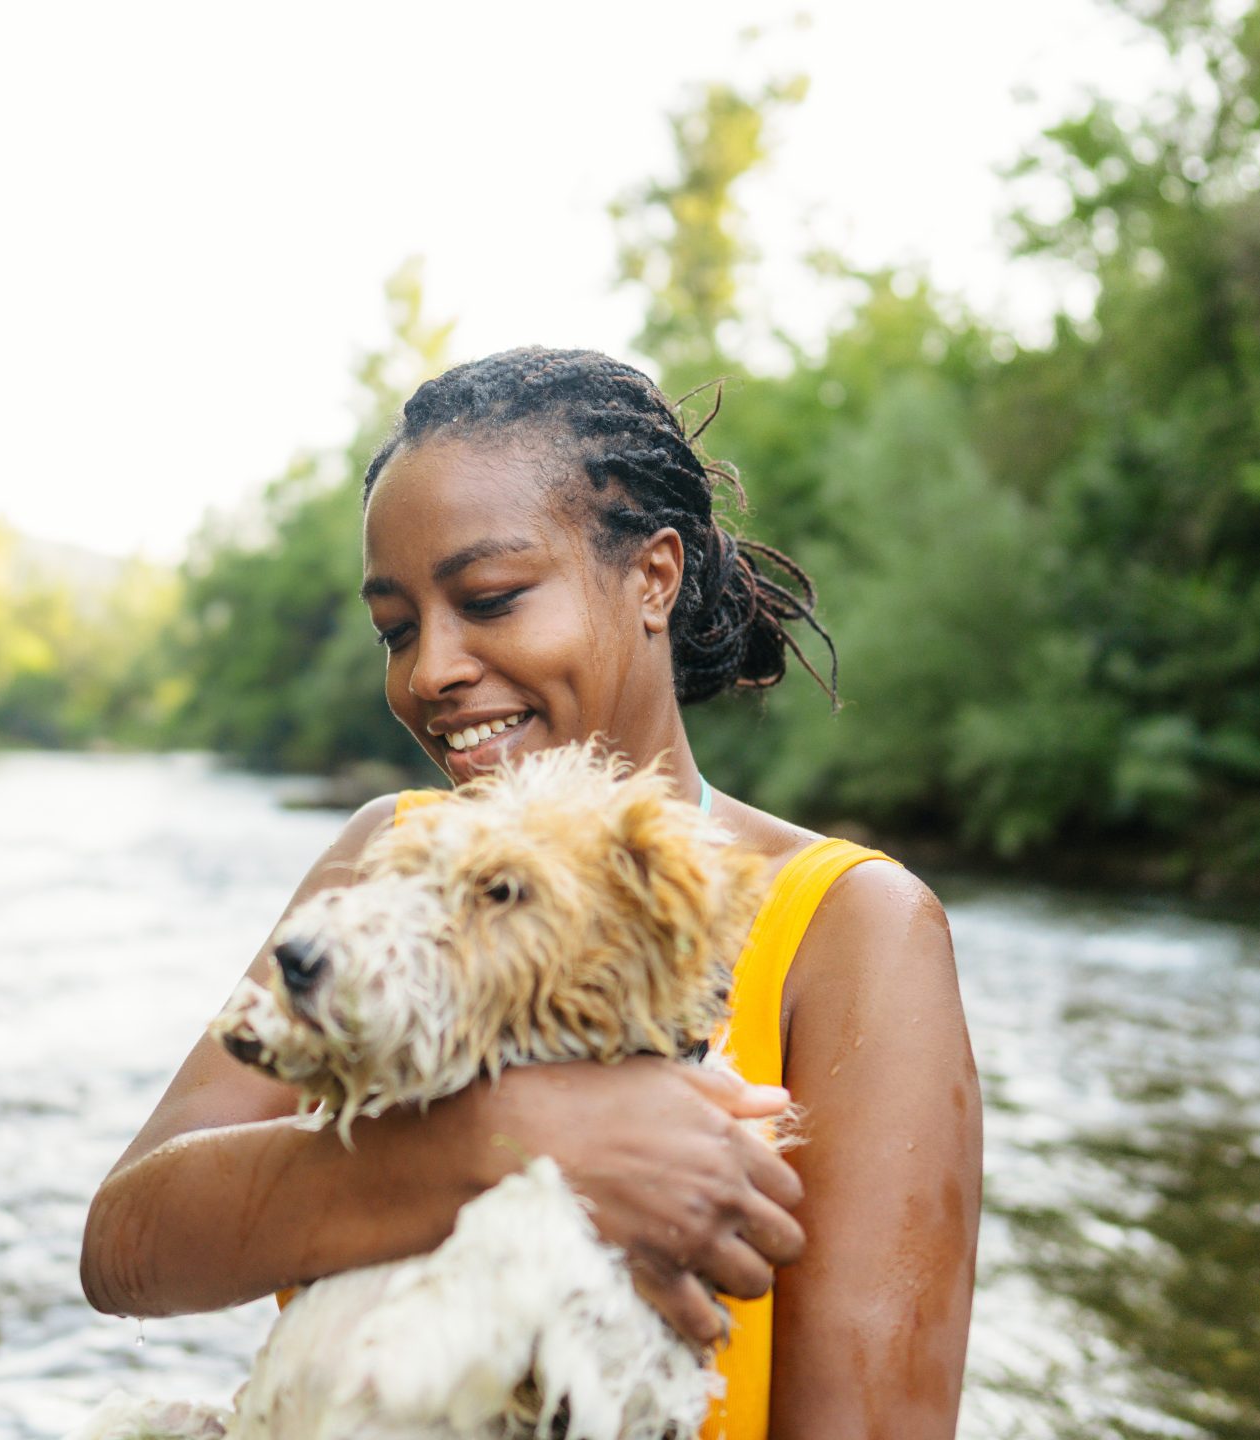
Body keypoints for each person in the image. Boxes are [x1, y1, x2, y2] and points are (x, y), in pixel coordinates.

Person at [81, 347, 981, 1440]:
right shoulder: (391, 851)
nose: (429, 671)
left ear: (653, 576)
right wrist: (510, 1144)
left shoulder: (847, 925)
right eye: (396, 628)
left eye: (491, 599)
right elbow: (125, 1245)